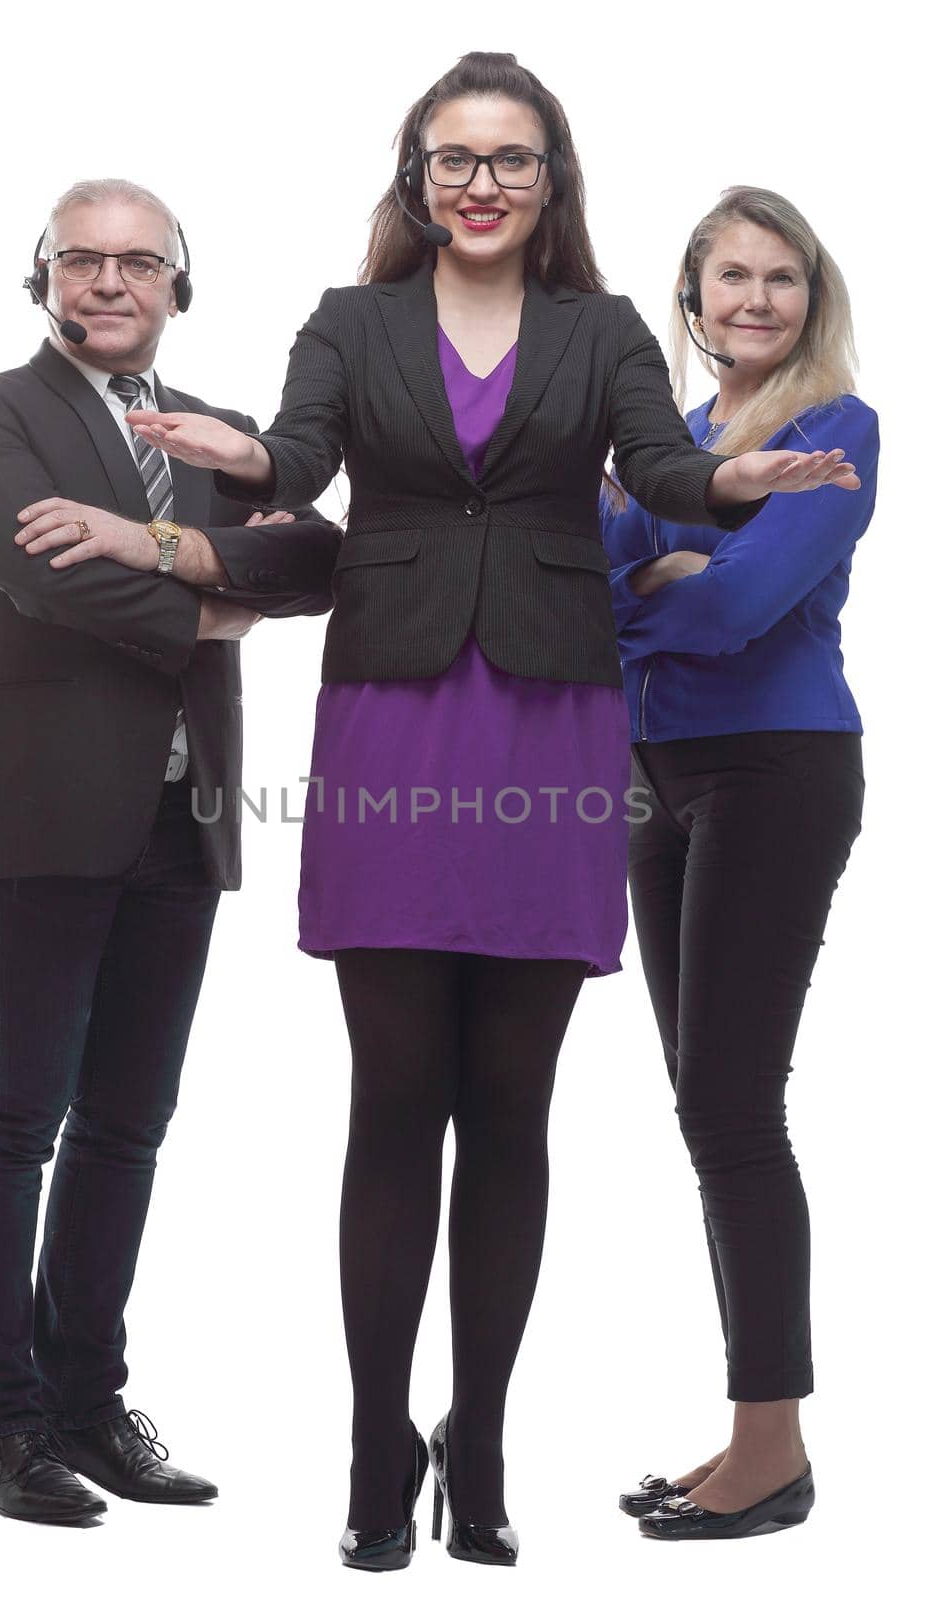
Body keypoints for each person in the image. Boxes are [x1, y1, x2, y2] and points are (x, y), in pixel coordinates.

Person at [117, 56, 857, 1568]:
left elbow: (654, 462)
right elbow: (305, 456)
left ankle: (486, 1432)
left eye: (511, 161)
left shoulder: (597, 334)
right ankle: (377, 1443)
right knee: (393, 1100)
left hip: (554, 723)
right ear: (416, 175)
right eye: (453, 159)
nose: (480, 183)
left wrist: (730, 483)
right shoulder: (352, 319)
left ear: (550, 182)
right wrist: (251, 457)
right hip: (393, 721)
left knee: (512, 1109)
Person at [0, 177, 340, 1526]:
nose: (109, 283)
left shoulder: (210, 434)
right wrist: (215, 598)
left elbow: (322, 562)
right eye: (81, 261)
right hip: (41, 813)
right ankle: (0, 1431)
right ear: (41, 277)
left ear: (178, 285)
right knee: (12, 1120)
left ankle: (89, 1405)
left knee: (126, 1128)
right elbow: (37, 570)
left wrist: (198, 553)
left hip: (184, 816)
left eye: (138, 263)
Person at [602, 187, 878, 1540]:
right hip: (653, 785)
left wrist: (662, 585)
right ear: (694, 298)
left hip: (778, 771)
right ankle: (751, 1438)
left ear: (807, 299)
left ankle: (771, 1449)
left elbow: (740, 606)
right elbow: (584, 595)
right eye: (730, 278)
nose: (754, 301)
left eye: (780, 279)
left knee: (730, 1106)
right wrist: (657, 584)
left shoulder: (835, 432)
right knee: (706, 1107)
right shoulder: (668, 450)